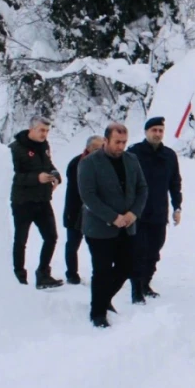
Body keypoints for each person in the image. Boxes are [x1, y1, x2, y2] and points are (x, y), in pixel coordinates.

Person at [78, 123, 148, 328]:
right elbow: (88, 196)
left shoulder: (131, 159)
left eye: (124, 142)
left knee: (127, 266)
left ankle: (102, 298)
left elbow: (142, 188)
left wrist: (133, 213)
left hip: (127, 225)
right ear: (106, 141)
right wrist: (112, 216)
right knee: (102, 270)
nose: (121, 146)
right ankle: (98, 312)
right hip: (99, 228)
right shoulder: (89, 163)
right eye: (117, 142)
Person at [129, 116, 183, 303]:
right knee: (138, 251)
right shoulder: (134, 153)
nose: (157, 134)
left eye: (160, 130)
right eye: (154, 130)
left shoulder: (169, 155)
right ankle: (136, 290)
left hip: (159, 212)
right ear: (146, 132)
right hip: (138, 213)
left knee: (154, 251)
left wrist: (177, 206)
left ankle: (146, 283)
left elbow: (175, 182)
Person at [9, 115, 65, 289]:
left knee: (51, 237)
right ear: (31, 129)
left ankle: (43, 273)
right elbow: (12, 176)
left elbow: (49, 165)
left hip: (42, 200)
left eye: (47, 131)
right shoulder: (15, 148)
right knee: (21, 240)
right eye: (41, 130)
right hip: (23, 201)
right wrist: (36, 178)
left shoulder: (44, 146)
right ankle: (19, 276)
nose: (44, 134)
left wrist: (56, 176)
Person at [63, 135, 104, 285]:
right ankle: (72, 274)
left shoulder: (105, 163)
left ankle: (100, 273)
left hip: (95, 213)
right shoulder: (76, 163)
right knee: (72, 244)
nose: (99, 151)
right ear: (88, 148)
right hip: (75, 211)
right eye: (96, 148)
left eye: (101, 148)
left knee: (98, 245)